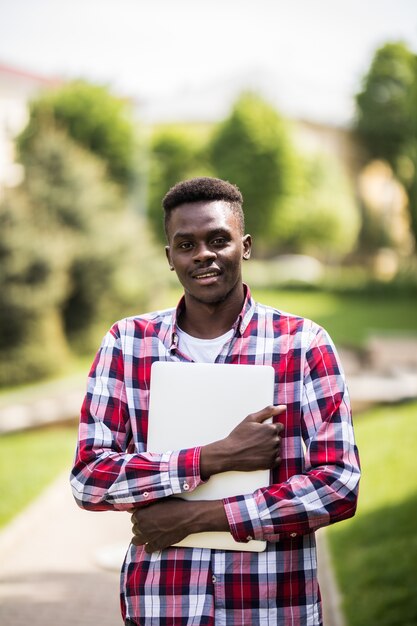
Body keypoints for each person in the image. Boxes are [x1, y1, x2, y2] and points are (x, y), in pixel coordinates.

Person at [70, 176, 360, 626]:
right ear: (170, 258)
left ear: (244, 246)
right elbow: (89, 477)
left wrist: (199, 517)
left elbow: (338, 486)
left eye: (218, 239)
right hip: (162, 604)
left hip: (272, 607)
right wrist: (210, 458)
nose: (202, 254)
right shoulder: (127, 343)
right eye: (186, 244)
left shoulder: (304, 344)